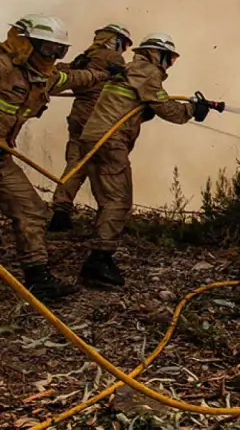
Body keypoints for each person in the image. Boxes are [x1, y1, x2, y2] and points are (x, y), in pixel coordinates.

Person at [77, 32, 213, 288]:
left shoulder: (130, 70)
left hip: (94, 138)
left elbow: (133, 106)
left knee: (108, 200)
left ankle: (98, 253)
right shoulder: (146, 72)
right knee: (119, 201)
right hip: (110, 141)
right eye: (168, 58)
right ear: (155, 53)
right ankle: (98, 261)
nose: (168, 65)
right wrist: (193, 109)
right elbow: (168, 110)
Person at [0, 14, 118, 300]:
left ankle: (38, 279)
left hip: (1, 159)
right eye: (48, 49)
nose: (52, 56)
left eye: (59, 51)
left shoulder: (43, 77)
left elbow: (74, 78)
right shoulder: (3, 66)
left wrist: (104, 75)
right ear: (27, 43)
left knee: (32, 210)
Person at [47, 23, 132, 232]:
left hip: (78, 114)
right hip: (97, 116)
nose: (124, 50)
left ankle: (61, 210)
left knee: (75, 163)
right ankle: (110, 219)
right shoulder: (112, 58)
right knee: (107, 166)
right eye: (124, 45)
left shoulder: (85, 57)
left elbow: (67, 73)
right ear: (115, 41)